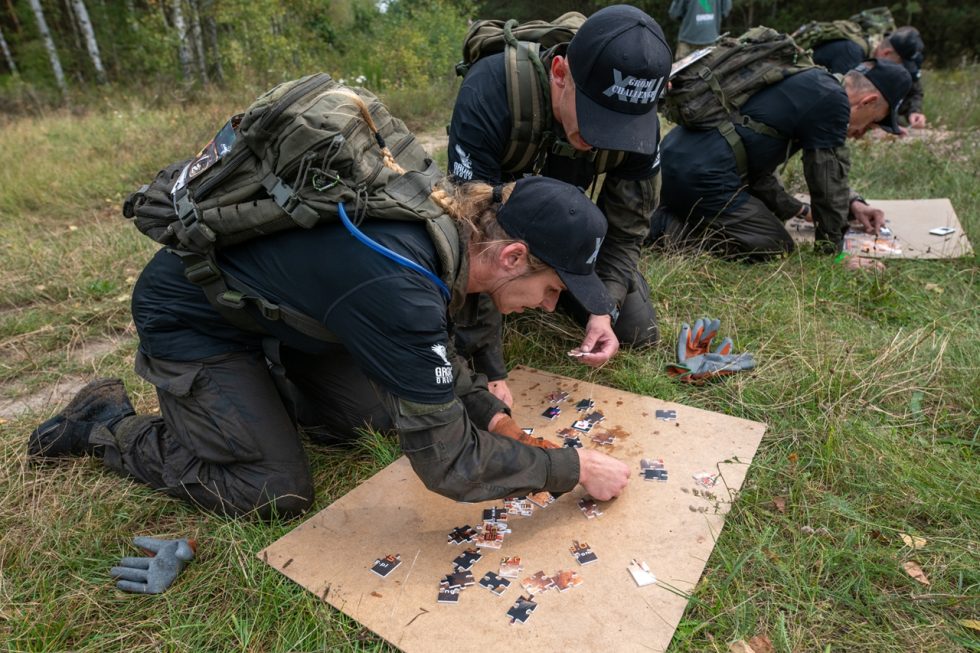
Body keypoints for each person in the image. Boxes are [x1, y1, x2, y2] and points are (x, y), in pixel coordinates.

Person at [28, 168, 633, 519]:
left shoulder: (446, 235)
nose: (548, 306)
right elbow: (449, 463)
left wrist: (492, 418)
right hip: (194, 319)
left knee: (372, 417)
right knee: (274, 489)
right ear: (513, 256)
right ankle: (104, 424)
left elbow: (428, 356)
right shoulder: (401, 283)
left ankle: (257, 400)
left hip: (288, 316)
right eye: (552, 289)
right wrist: (569, 468)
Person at [448, 4, 672, 408]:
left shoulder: (640, 124)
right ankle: (518, 295)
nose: (602, 138)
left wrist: (603, 307)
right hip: (501, 236)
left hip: (567, 237)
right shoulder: (492, 90)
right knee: (461, 333)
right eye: (596, 117)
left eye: (621, 126)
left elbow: (627, 229)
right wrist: (490, 365)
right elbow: (472, 234)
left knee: (637, 330)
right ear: (559, 73)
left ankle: (544, 287)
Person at [651, 59, 912, 268]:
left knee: (765, 216)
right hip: (700, 174)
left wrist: (849, 204)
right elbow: (826, 181)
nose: (861, 133)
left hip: (674, 160)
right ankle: (659, 229)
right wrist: (833, 255)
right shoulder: (834, 102)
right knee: (774, 245)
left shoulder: (808, 80)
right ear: (868, 102)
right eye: (871, 124)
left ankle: (664, 211)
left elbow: (758, 172)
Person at [811, 26, 926, 131]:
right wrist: (884, 127)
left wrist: (913, 111)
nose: (899, 72)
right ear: (886, 53)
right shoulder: (851, 52)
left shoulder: (884, 57)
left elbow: (913, 88)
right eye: (899, 66)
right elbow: (845, 104)